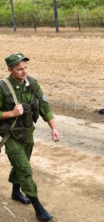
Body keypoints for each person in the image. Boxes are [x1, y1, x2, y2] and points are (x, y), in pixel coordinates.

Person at [0, 52, 60, 222]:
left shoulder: (32, 83)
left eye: (26, 68)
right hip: (11, 136)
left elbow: (43, 105)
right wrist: (11, 113)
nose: (24, 72)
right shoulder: (2, 87)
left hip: (27, 134)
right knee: (25, 169)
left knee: (21, 164)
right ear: (10, 69)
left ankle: (15, 192)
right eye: (20, 69)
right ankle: (38, 207)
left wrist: (53, 128)